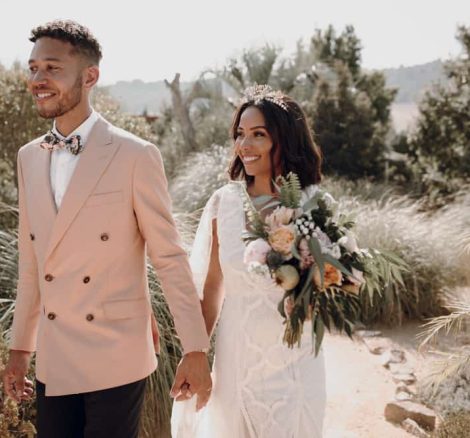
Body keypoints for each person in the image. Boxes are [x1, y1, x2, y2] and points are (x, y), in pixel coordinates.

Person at [2, 19, 211, 438]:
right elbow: (33, 262)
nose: (38, 80)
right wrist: (21, 349)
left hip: (117, 351)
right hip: (57, 355)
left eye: (53, 68)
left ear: (90, 76)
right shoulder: (29, 157)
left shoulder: (135, 155)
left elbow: (168, 257)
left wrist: (196, 348)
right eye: (33, 68)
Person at [171, 85, 327, 437]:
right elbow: (212, 287)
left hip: (295, 363)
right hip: (237, 363)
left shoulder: (314, 204)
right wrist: (195, 353)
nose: (245, 145)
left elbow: (332, 283)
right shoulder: (224, 203)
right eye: (240, 134)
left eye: (259, 134)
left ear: (284, 140)